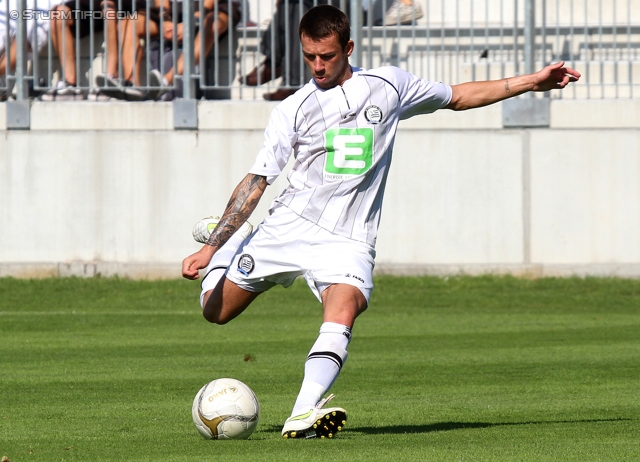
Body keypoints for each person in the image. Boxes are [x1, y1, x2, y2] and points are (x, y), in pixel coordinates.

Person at [181, 4, 580, 439]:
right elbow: (258, 180)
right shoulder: (292, 109)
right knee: (215, 312)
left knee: (345, 307)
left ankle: (301, 413)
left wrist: (532, 82)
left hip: (348, 238)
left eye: (327, 56)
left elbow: (459, 97)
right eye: (309, 56)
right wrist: (211, 248)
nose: (317, 65)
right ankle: (232, 247)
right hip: (287, 228)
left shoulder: (389, 86)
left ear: (348, 48)